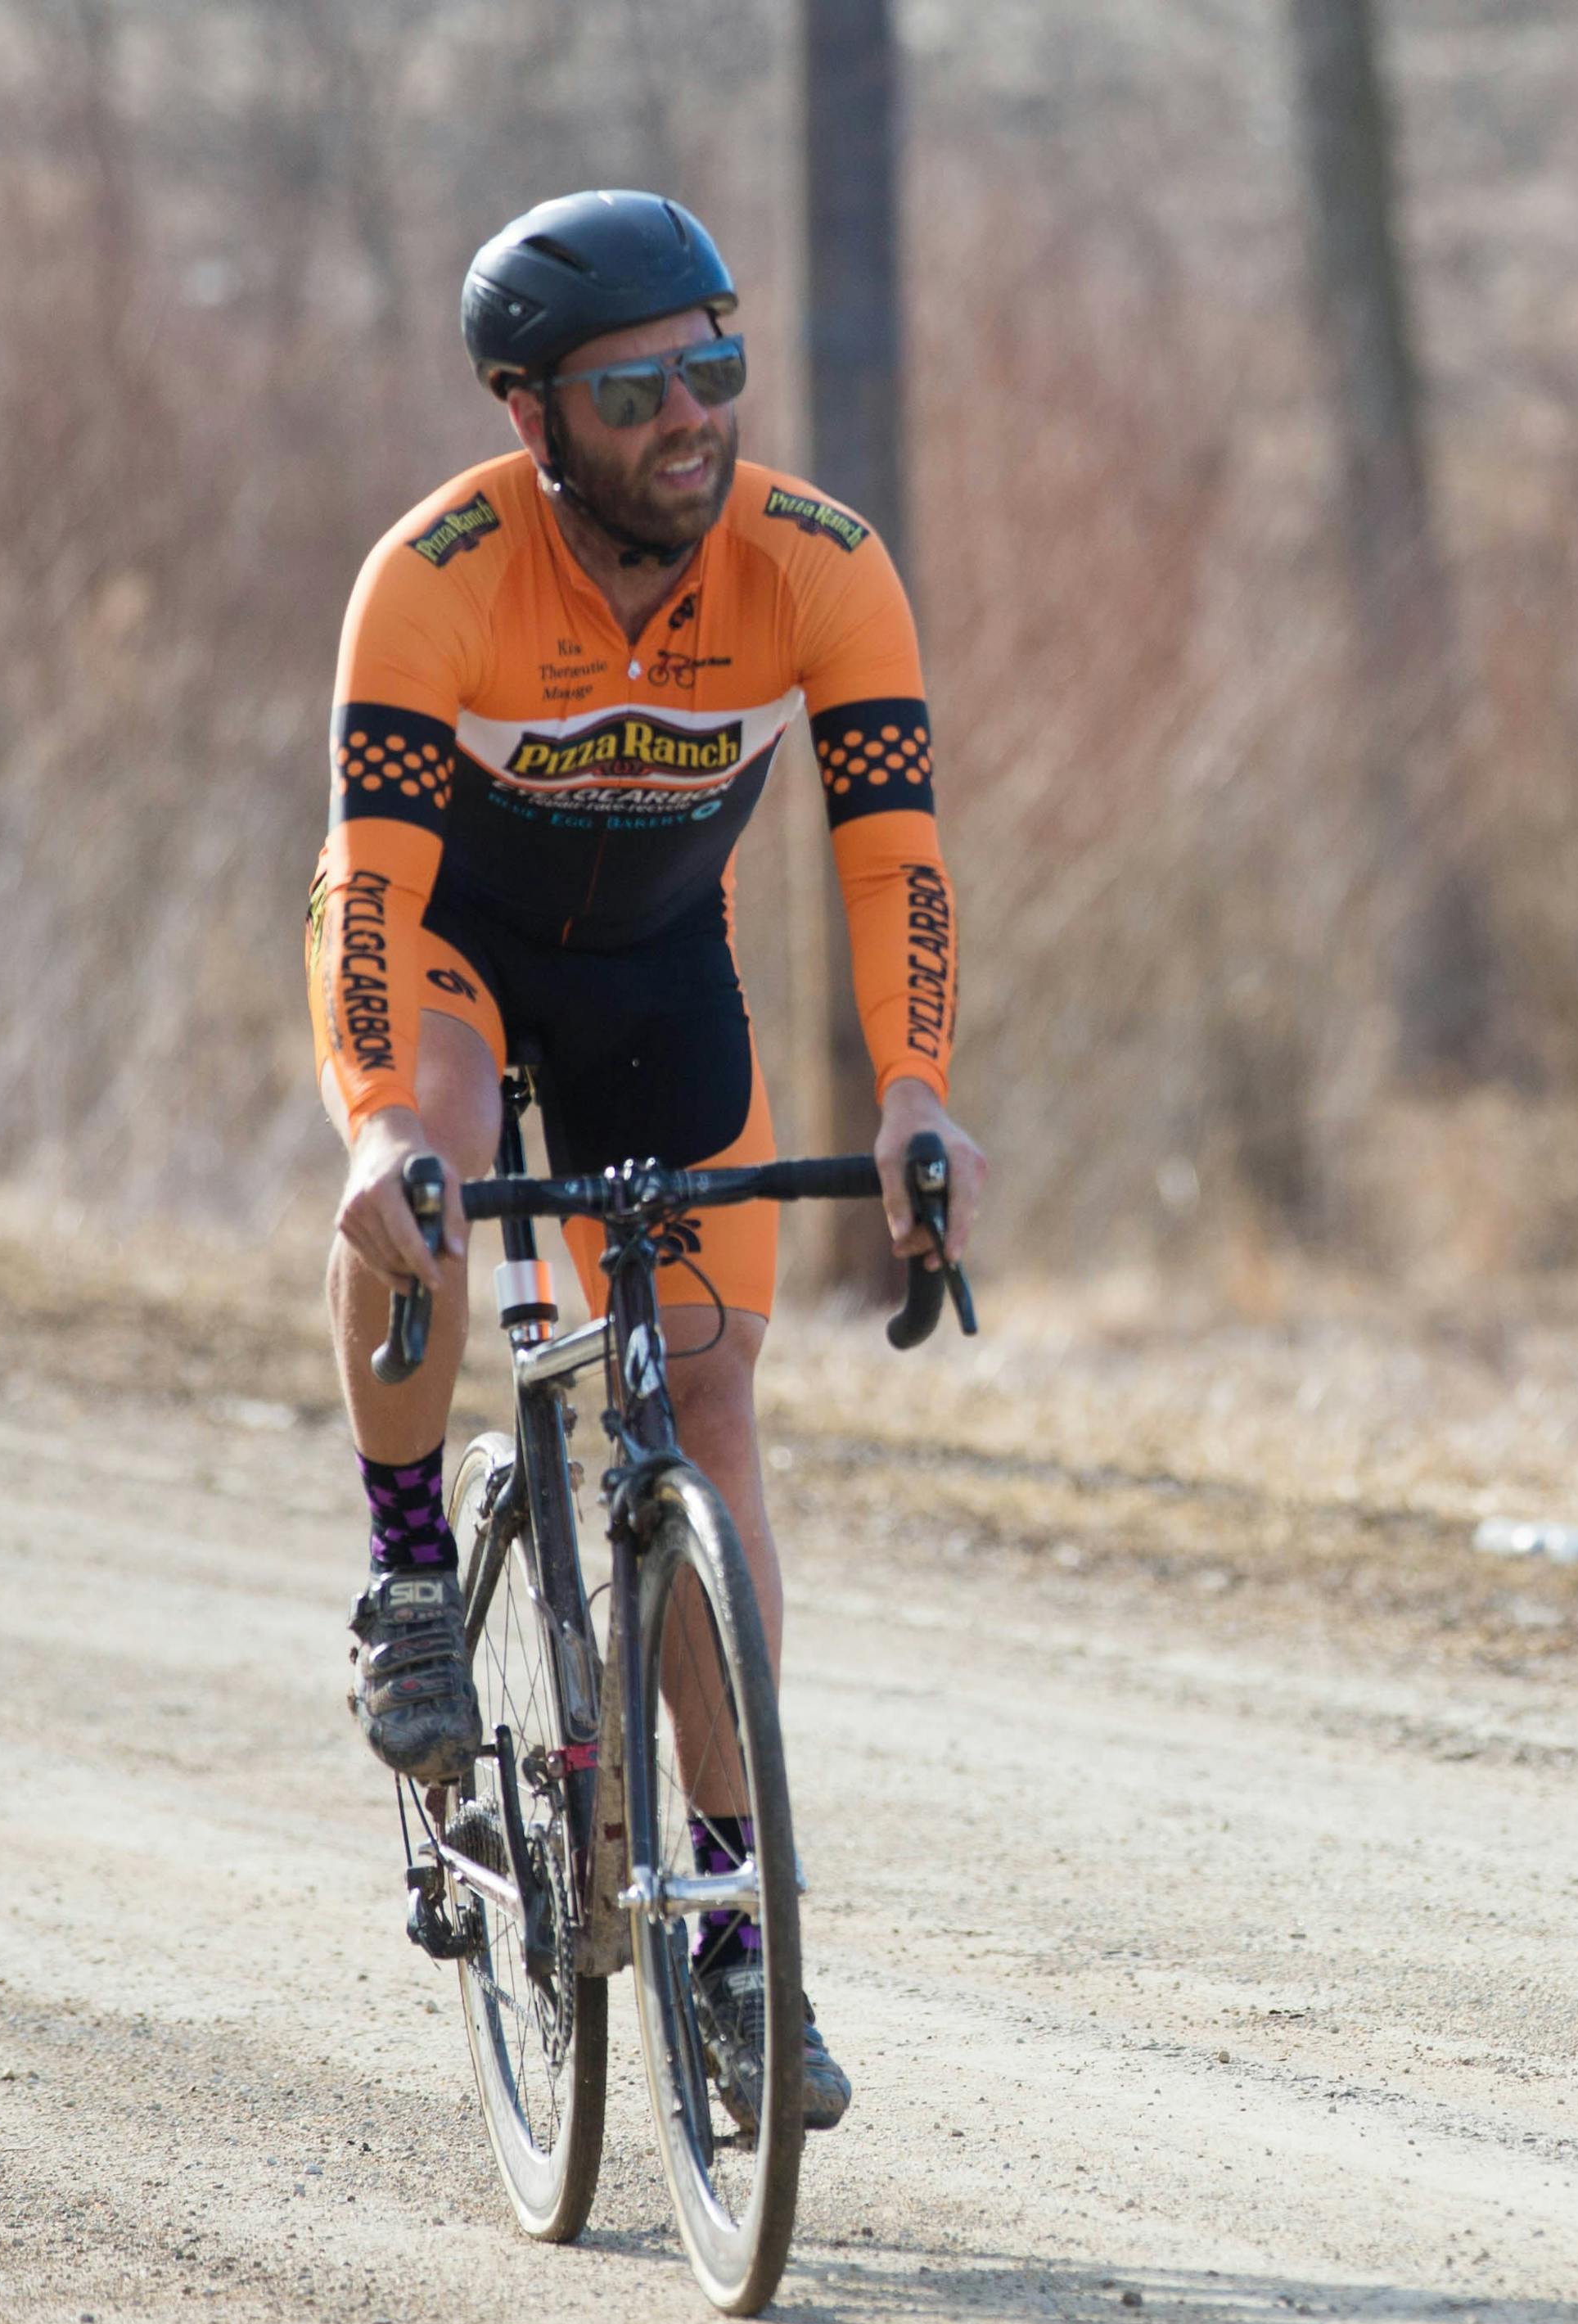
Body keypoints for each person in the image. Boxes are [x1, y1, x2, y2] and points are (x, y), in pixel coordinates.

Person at [307, 189, 985, 2129]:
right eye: (636, 391)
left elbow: (896, 859)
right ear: (534, 419)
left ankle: (736, 1935)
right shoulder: (433, 576)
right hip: (443, 951)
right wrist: (372, 1125)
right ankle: (413, 1570)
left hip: (655, 978)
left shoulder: (820, 567)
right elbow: (370, 886)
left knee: (705, 1396)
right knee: (427, 1165)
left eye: (718, 366)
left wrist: (920, 1091)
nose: (693, 416)